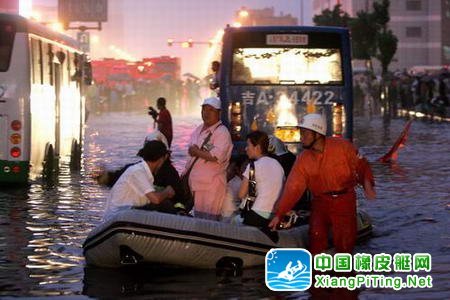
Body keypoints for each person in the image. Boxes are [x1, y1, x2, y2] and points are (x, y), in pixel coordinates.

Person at [268, 113, 376, 255]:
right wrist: (280, 213)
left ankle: (344, 275)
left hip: (344, 202)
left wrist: (367, 183)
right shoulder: (303, 159)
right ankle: (316, 275)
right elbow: (293, 188)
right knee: (316, 241)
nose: (301, 137)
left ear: (317, 133)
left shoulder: (343, 147)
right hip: (320, 203)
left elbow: (362, 166)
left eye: (305, 133)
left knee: (344, 246)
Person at [185, 96, 233, 220]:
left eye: (211, 110)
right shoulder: (199, 129)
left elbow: (217, 156)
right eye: (204, 109)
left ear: (219, 113)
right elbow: (191, 151)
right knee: (199, 218)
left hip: (212, 185)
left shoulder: (222, 132)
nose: (206, 113)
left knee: (210, 220)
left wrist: (196, 151)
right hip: (196, 184)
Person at [104, 140, 175, 219]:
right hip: (118, 216)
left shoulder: (143, 171)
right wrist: (167, 191)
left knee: (164, 205)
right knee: (163, 205)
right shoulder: (138, 171)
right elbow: (156, 199)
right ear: (162, 159)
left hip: (127, 213)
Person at [238, 131, 285, 227]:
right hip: (274, 216)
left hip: (257, 215)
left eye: (248, 145)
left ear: (257, 147)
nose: (246, 149)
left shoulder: (253, 166)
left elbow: (241, 194)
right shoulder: (278, 165)